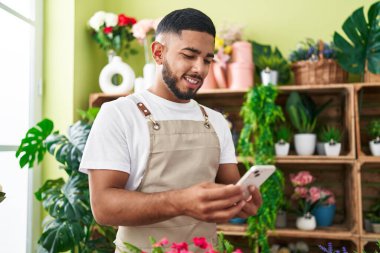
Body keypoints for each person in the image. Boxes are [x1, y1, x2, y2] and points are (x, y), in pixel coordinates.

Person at [79, 8, 262, 252]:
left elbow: (228, 192)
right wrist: (181, 202)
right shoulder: (119, 114)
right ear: (158, 53)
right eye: (189, 55)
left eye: (207, 59)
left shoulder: (216, 121)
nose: (200, 69)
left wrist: (241, 203)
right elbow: (103, 207)